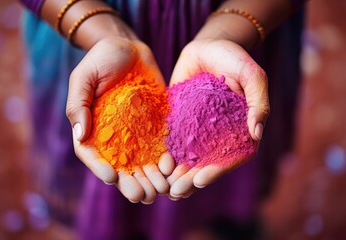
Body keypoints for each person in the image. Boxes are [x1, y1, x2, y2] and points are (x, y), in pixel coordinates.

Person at [19, 0, 305, 239]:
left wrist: (230, 30)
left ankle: (229, 215)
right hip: (87, 32)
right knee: (113, 188)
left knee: (229, 164)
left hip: (242, 27)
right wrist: (101, 30)